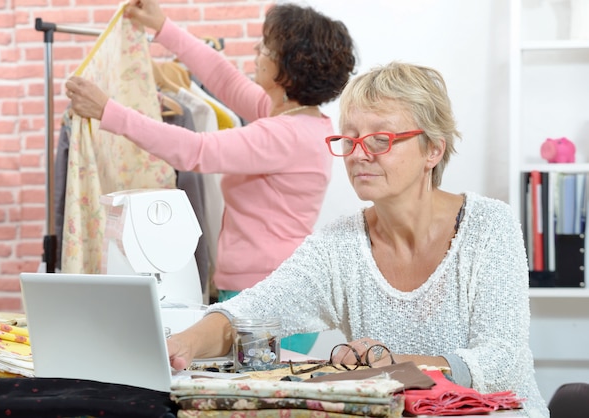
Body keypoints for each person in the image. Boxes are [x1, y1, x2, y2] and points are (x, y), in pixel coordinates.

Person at [162, 62, 549, 418]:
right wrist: (184, 344)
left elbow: (502, 362)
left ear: (432, 149)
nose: (359, 154)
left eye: (380, 139)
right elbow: (250, 313)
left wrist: (393, 365)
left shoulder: (488, 226)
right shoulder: (339, 244)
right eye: (349, 140)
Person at [65, 0, 356, 354]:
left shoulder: (286, 135)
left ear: (287, 72)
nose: (256, 51)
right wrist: (164, 27)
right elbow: (223, 78)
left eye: (266, 47)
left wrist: (108, 112)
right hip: (264, 287)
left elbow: (194, 151)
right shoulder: (292, 119)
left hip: (269, 294)